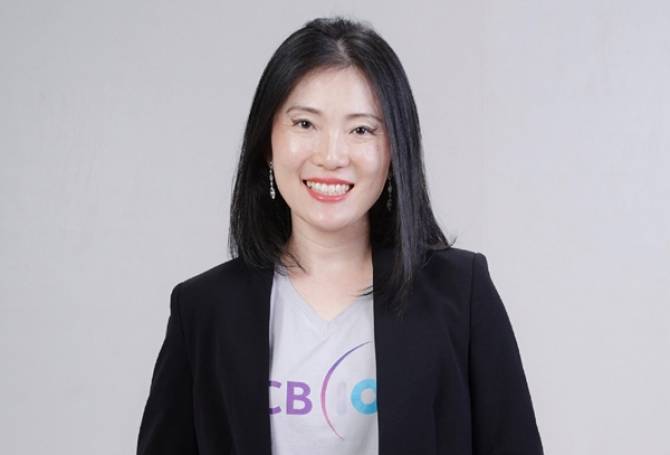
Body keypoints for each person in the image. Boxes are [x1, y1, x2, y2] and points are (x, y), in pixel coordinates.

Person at [136, 16, 544, 455]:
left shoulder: (460, 294)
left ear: (394, 149)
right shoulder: (203, 310)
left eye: (361, 129)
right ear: (267, 142)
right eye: (305, 124)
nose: (331, 156)